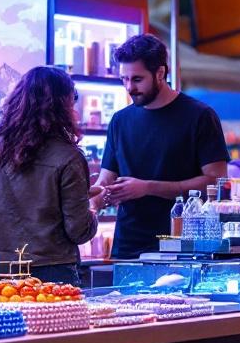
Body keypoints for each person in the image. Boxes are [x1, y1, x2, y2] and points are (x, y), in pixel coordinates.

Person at [93, 34, 229, 258]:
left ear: (160, 73)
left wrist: (147, 187)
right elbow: (106, 179)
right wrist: (92, 202)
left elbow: (216, 181)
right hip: (128, 246)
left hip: (183, 246)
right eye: (123, 79)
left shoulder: (200, 116)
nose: (129, 87)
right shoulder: (119, 120)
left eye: (137, 79)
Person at [0, 67, 97, 285]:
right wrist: (93, 205)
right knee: (48, 321)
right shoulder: (68, 157)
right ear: (63, 105)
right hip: (48, 273)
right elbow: (78, 231)